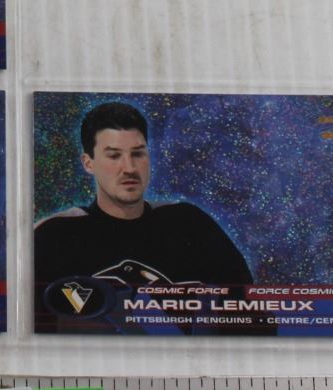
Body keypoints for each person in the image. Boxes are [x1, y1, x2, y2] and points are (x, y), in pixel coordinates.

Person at [33, 101, 253, 288]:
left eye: (138, 154)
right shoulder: (54, 236)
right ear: (88, 163)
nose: (129, 168)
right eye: (114, 156)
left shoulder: (190, 224)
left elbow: (250, 309)